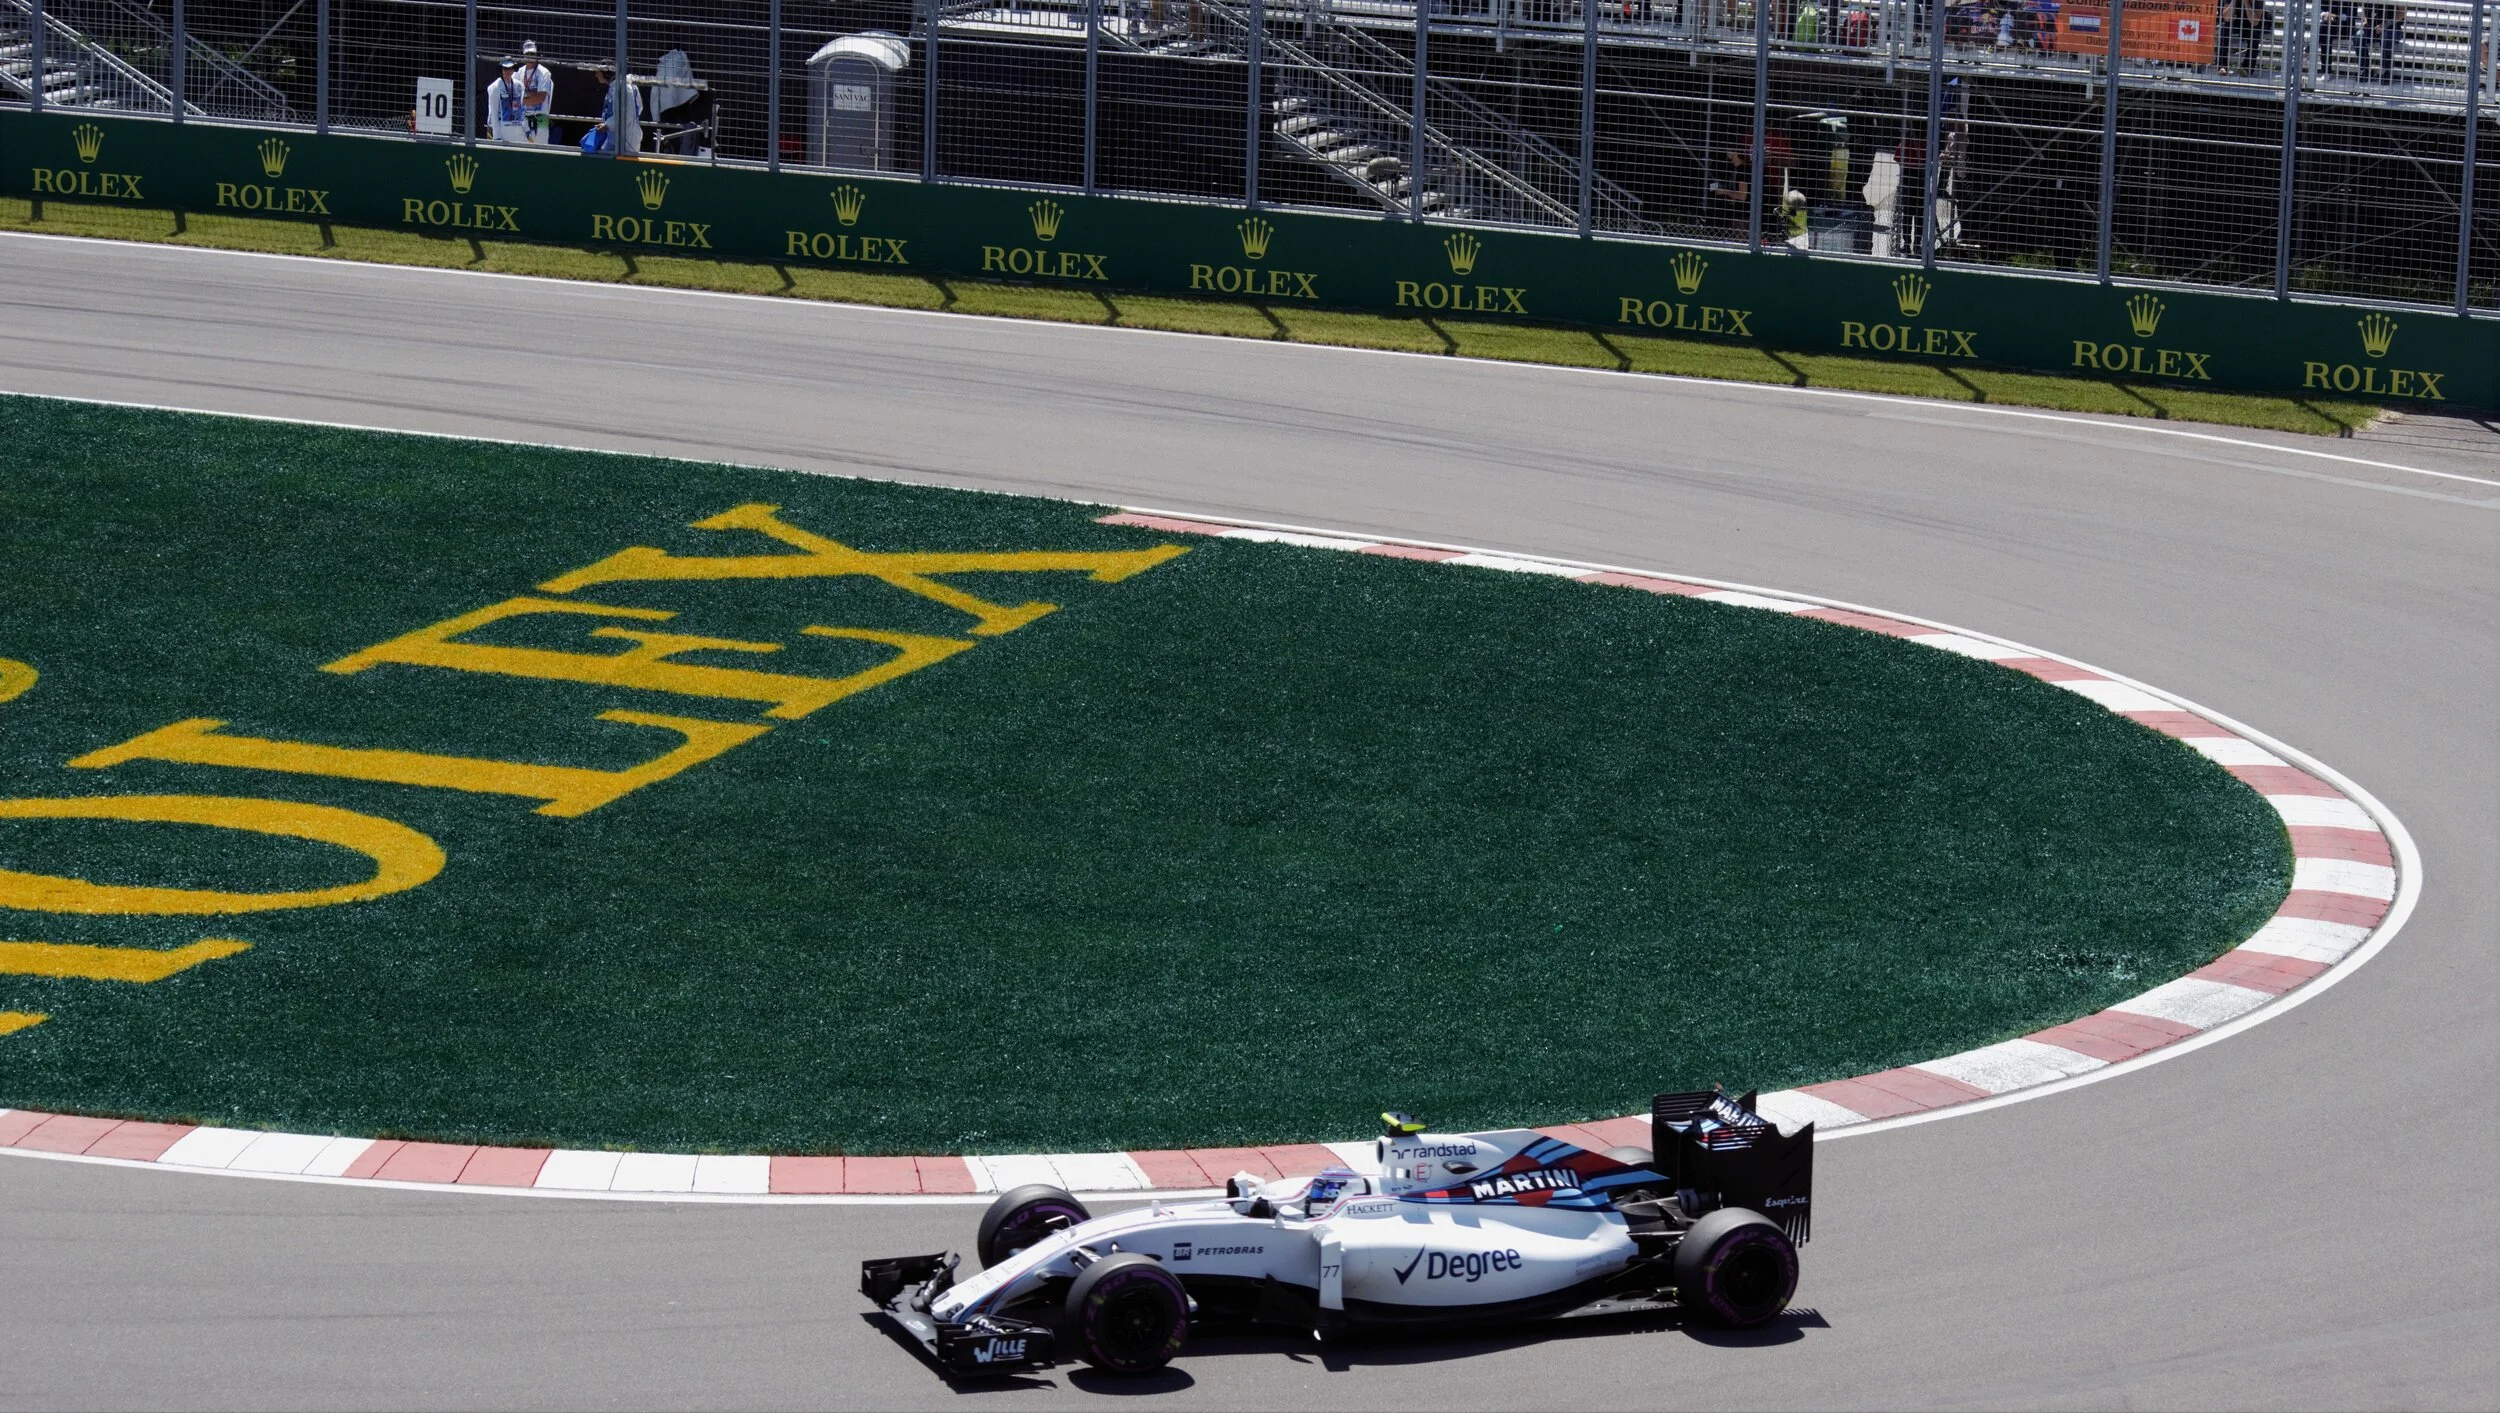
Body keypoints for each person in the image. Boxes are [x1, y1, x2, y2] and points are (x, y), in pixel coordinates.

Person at [516, 41, 557, 144]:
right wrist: (531, 95)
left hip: (541, 119)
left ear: (537, 55)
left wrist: (522, 97)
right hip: (523, 119)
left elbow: (540, 98)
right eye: (527, 54)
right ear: (523, 55)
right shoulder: (519, 72)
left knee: (541, 152)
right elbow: (513, 95)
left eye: (532, 54)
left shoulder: (544, 72)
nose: (530, 57)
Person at [484, 57, 527, 143]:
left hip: (516, 128)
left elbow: (523, 109)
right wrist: (497, 137)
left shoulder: (519, 86)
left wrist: (526, 130)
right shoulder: (495, 87)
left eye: (510, 68)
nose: (508, 71)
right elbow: (494, 113)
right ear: (501, 69)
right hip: (501, 128)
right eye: (505, 68)